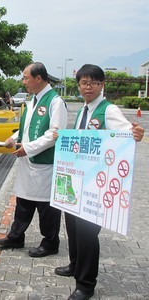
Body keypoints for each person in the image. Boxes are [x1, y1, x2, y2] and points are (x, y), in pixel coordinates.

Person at [54, 64, 145, 300]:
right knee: (72, 228)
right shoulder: (84, 110)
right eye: (83, 83)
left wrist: (136, 133)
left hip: (96, 184)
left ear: (102, 85)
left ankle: (85, 284)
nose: (88, 87)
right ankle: (75, 265)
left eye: (93, 83)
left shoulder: (108, 110)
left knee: (86, 233)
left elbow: (127, 133)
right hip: (77, 181)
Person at [0, 62, 68, 258]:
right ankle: (16, 236)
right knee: (24, 200)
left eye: (26, 77)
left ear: (39, 78)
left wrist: (29, 148)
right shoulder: (33, 100)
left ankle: (50, 242)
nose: (23, 81)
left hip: (44, 163)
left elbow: (55, 134)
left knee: (46, 206)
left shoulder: (55, 102)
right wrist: (15, 138)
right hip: (28, 161)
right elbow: (27, 127)